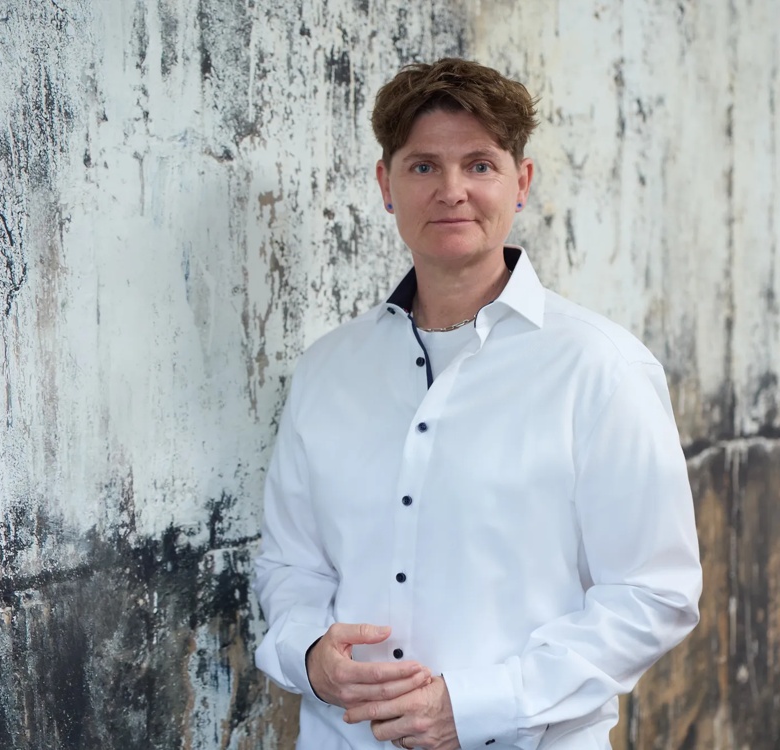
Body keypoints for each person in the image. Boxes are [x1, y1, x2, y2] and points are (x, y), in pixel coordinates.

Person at [253, 58, 702, 750]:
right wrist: (309, 656)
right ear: (386, 184)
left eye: (481, 166)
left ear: (520, 183)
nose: (452, 191)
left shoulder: (601, 368)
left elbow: (654, 595)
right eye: (424, 166)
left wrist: (479, 705)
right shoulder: (326, 371)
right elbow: (292, 566)